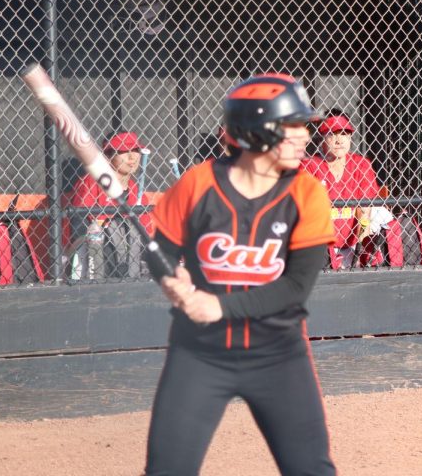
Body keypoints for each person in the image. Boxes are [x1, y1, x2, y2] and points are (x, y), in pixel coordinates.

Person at [143, 73, 337, 475]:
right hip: (199, 355)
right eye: (294, 126)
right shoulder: (197, 183)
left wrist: (218, 306)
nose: (305, 136)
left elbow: (296, 288)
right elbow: (159, 249)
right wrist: (170, 280)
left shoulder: (307, 193)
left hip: (278, 356)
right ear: (257, 131)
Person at [301, 110, 392, 269]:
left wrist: (360, 251)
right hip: (321, 248)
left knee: (380, 213)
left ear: (350, 136)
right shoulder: (309, 166)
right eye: (332, 134)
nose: (339, 140)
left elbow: (364, 211)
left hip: (353, 245)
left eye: (344, 133)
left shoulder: (360, 164)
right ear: (322, 137)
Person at [68, 130, 152, 280]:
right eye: (123, 151)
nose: (132, 157)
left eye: (135, 150)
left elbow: (146, 236)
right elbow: (77, 231)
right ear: (107, 156)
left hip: (129, 264)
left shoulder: (136, 191)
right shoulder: (91, 182)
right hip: (93, 260)